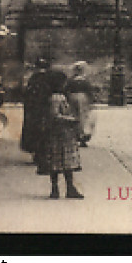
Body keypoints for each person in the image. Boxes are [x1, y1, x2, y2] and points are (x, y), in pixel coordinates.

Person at [35, 70, 84, 199]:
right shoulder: (57, 98)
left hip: (57, 133)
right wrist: (71, 120)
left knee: (56, 162)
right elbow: (55, 116)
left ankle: (56, 189)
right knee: (65, 161)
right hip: (61, 133)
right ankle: (67, 188)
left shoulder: (54, 97)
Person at [20, 57, 52, 158]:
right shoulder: (49, 77)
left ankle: (36, 151)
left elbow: (27, 94)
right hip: (45, 108)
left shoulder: (33, 78)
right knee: (45, 130)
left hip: (34, 109)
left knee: (34, 130)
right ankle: (44, 152)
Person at [65, 61, 94, 147]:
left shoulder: (71, 80)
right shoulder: (85, 80)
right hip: (83, 98)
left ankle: (75, 136)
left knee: (74, 116)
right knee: (82, 117)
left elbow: (67, 89)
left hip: (72, 97)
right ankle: (82, 136)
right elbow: (89, 91)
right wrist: (91, 101)